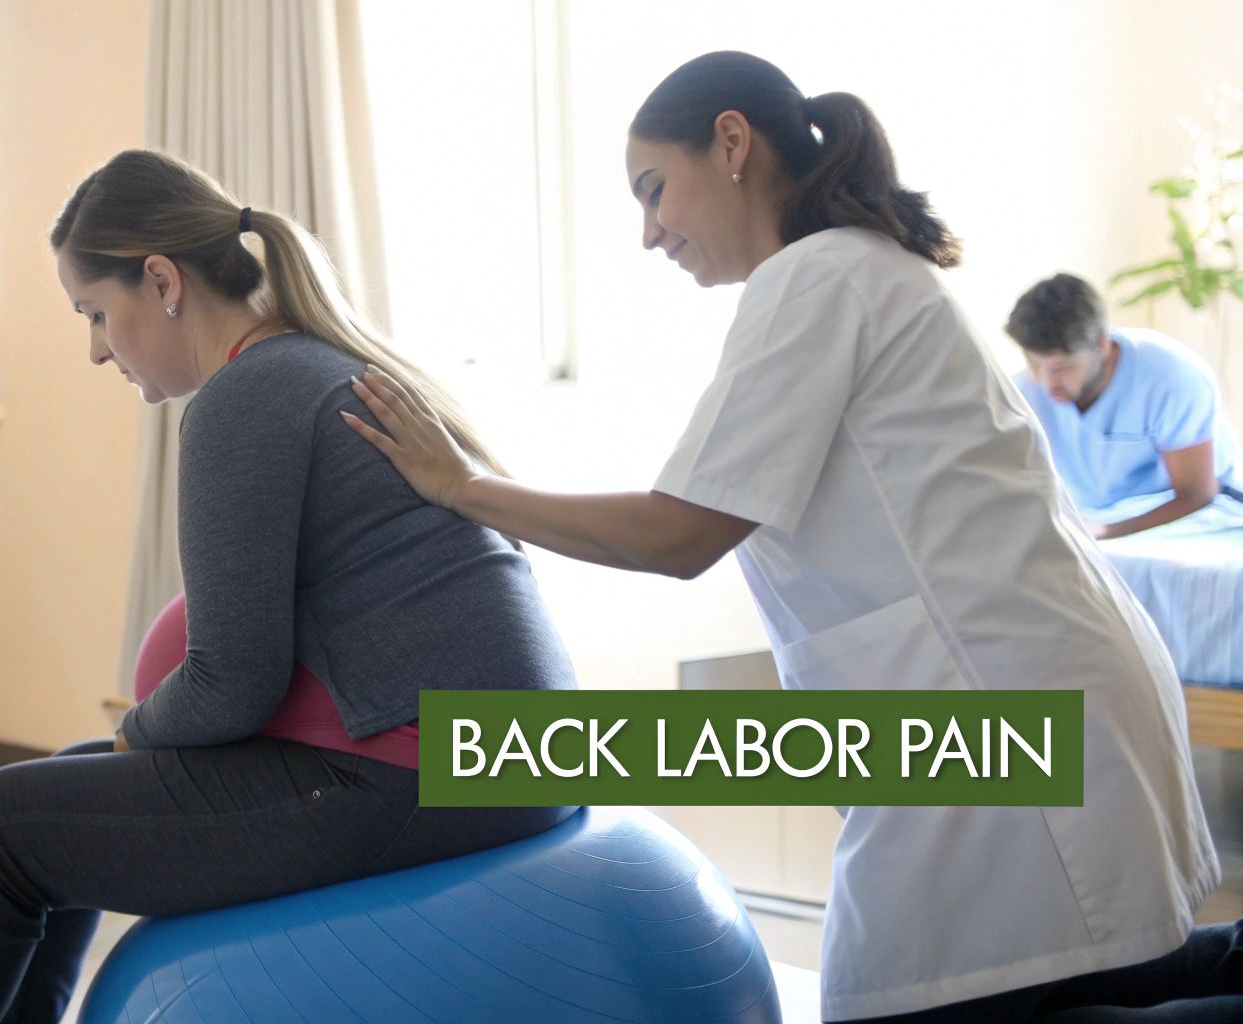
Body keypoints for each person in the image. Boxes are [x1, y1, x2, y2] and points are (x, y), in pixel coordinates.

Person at [343, 50, 1240, 1023]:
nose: (647, 234)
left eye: (653, 192)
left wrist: (462, 485)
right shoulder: (849, 270)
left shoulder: (816, 279)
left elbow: (677, 531)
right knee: (1076, 976)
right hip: (1020, 685)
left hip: (998, 701)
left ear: (730, 143)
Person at [0, 149, 577, 1024]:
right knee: (58, 786)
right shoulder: (314, 363)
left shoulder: (249, 396)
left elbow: (233, 680)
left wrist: (137, 734)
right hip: (505, 762)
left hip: (428, 778)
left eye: (94, 312)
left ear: (160, 280)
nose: (94, 349)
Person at [1006, 272, 1243, 538]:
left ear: (1102, 344)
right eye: (1035, 364)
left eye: (1062, 367)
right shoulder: (1024, 390)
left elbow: (1198, 494)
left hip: (1204, 515)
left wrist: (1104, 531)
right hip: (1096, 521)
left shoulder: (1169, 378)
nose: (1048, 383)